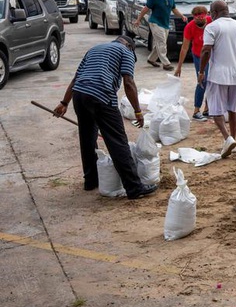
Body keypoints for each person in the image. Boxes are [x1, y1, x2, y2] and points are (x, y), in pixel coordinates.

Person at [52, 36, 157, 200]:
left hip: (80, 96)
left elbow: (76, 78)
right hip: (101, 96)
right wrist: (137, 111)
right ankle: (134, 188)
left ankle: (91, 181)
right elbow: (128, 82)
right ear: (129, 45)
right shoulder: (126, 51)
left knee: (87, 140)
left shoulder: (93, 50)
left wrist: (64, 103)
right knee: (117, 141)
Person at [199, 0, 236, 157]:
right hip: (235, 75)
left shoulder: (212, 27)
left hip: (218, 75)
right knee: (233, 109)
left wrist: (201, 71)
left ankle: (228, 138)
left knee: (215, 110)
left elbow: (206, 50)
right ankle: (233, 140)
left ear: (214, 12)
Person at [133, 0, 188, 71]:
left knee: (160, 43)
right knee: (162, 42)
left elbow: (174, 9)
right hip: (155, 22)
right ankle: (166, 63)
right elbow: (145, 9)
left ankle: (151, 59)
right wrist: (138, 19)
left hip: (165, 24)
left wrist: (182, 16)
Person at [174, 5, 212, 121]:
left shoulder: (211, 22)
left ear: (207, 16)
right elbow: (184, 48)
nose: (200, 19)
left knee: (212, 82)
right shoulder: (189, 27)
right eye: (197, 17)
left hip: (211, 55)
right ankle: (196, 110)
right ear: (193, 17)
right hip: (199, 56)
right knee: (202, 81)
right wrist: (179, 66)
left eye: (202, 17)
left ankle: (207, 109)